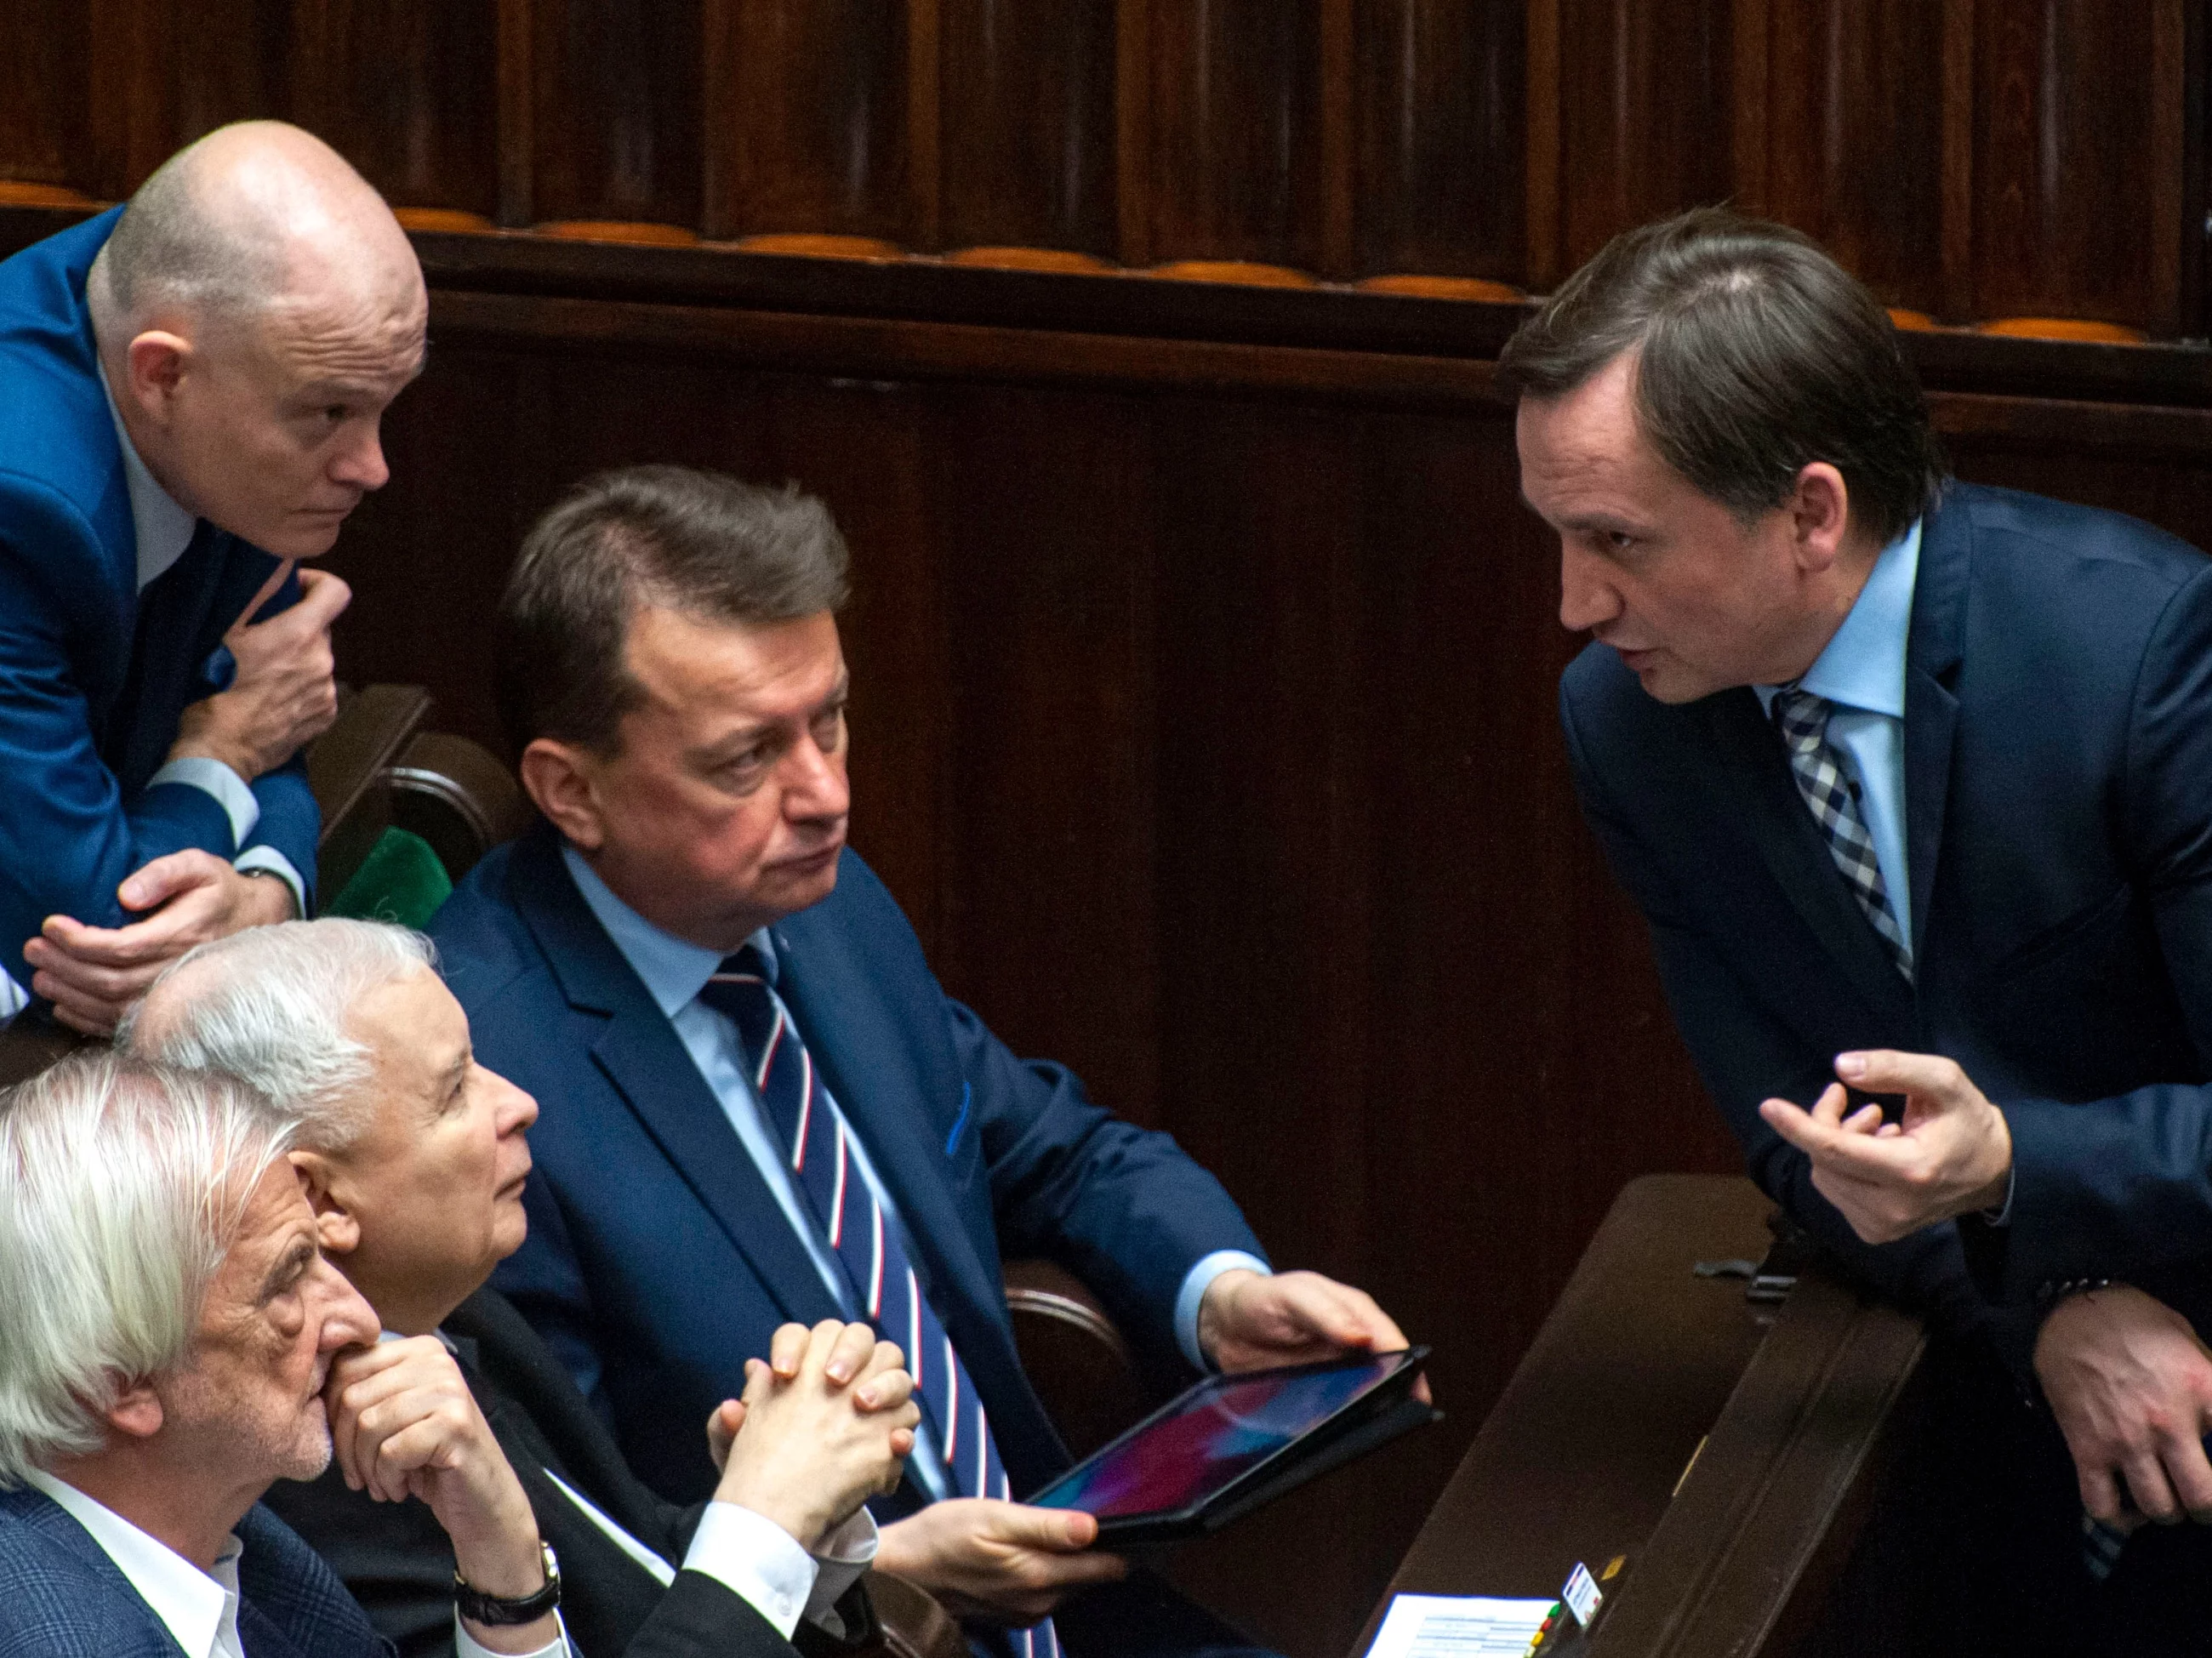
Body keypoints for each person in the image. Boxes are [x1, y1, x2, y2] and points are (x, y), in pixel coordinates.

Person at [429, 464, 1420, 1657]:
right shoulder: (482, 1085)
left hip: (1081, 1618)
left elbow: (1054, 1147)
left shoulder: (815, 911)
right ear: (570, 790)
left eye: (830, 719)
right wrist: (884, 1570)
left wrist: (1222, 1296)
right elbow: (566, 1549)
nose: (827, 794)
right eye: (746, 758)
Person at [1508, 207, 2212, 1652]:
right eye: (1562, 538)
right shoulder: (1633, 724)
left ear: (1812, 515)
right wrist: (2050, 1305)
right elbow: (1796, 1135)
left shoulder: (2135, 657)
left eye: (1618, 540)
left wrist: (2020, 1167)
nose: (1579, 603)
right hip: (1977, 1406)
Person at [121, 916, 923, 1658]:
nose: (519, 1103)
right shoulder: (310, 1473)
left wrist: (799, 1482)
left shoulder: (449, 1308)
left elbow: (633, 1574)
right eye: (455, 1090)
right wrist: (764, 1517)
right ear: (322, 1201)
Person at [0, 118, 426, 1032]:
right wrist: (220, 753)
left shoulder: (227, 334)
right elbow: (94, 937)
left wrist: (264, 889)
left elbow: (279, 702)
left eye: (385, 407)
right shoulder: (18, 506)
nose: (372, 467)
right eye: (331, 413)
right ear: (161, 374)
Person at [0, 1051, 396, 1657]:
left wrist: (504, 1586)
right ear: (119, 1385)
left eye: (319, 1256)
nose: (361, 1320)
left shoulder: (249, 1551)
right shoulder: (61, 1639)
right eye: (285, 1284)